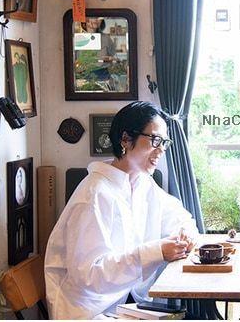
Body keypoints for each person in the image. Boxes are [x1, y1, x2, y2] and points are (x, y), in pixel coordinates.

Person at [45, 101, 199, 319]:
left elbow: (179, 217)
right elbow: (89, 275)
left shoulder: (142, 182)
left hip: (128, 302)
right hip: (90, 311)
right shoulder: (94, 195)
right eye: (155, 140)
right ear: (126, 139)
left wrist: (185, 235)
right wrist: (157, 252)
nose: (161, 150)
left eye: (164, 142)